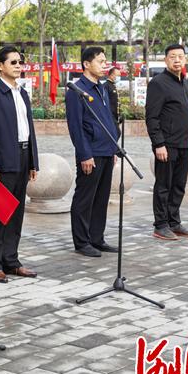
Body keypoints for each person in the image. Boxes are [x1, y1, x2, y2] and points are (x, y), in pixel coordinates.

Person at [0, 46, 39, 282]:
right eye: (13, 62)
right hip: (2, 162)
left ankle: (11, 260)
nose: (18, 66)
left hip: (22, 158)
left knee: (16, 214)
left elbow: (29, 130)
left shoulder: (22, 93)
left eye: (20, 62)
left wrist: (33, 160)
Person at [65, 47, 119, 258]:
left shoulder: (102, 88)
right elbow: (76, 127)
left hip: (106, 150)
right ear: (86, 64)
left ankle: (97, 238)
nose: (104, 65)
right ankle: (82, 241)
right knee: (85, 198)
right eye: (100, 61)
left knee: (101, 198)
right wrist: (85, 154)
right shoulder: (77, 91)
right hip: (91, 153)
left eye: (105, 61)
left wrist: (113, 147)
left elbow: (107, 119)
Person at [145, 44, 188, 241]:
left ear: (185, 60)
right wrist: (158, 144)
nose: (177, 60)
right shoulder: (158, 83)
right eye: (173, 57)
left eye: (181, 57)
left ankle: (174, 221)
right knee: (164, 186)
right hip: (167, 145)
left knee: (179, 186)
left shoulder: (185, 82)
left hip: (184, 143)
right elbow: (152, 118)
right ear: (166, 60)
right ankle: (161, 225)